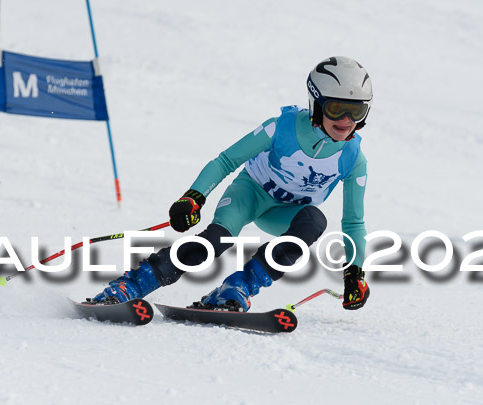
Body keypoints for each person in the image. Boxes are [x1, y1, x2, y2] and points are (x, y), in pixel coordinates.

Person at [92, 56, 371, 311]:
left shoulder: (353, 158)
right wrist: (193, 197)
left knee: (313, 221)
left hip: (286, 214)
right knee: (213, 243)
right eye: (337, 109)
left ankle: (235, 288)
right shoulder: (281, 127)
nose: (346, 121)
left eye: (355, 112)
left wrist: (355, 272)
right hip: (251, 193)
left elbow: (354, 223)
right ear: (317, 103)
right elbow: (226, 161)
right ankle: (132, 285)